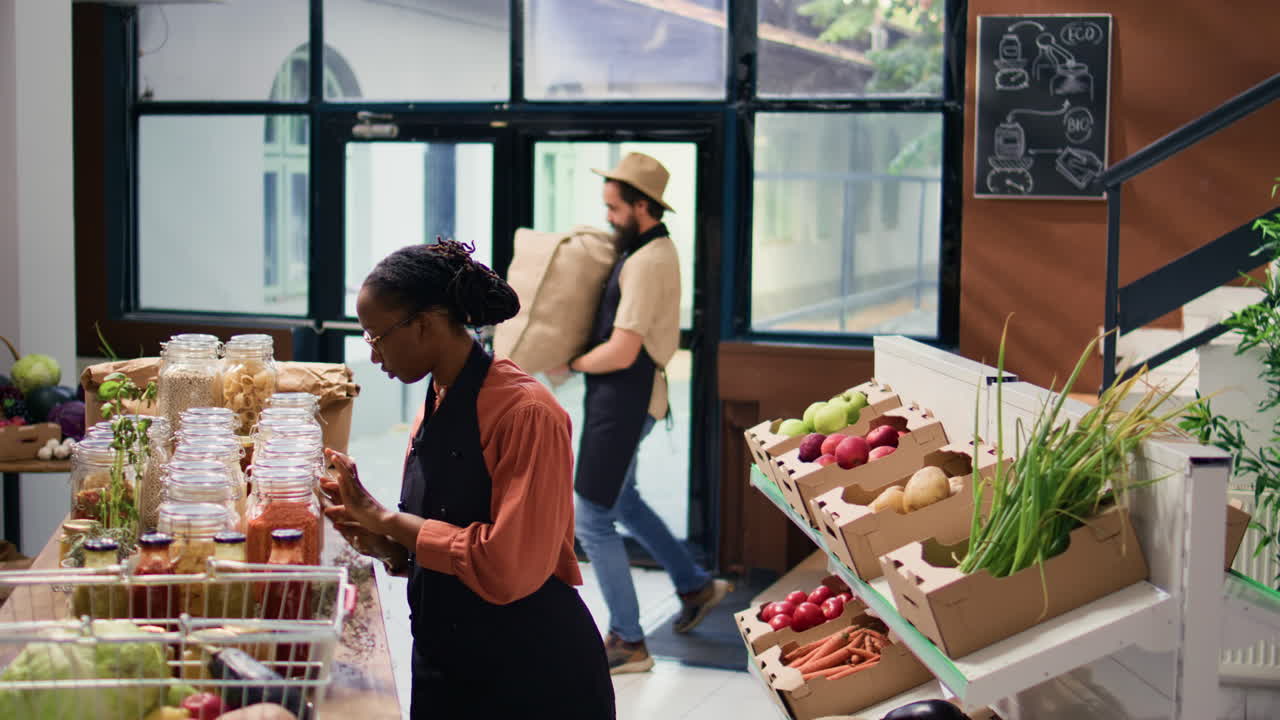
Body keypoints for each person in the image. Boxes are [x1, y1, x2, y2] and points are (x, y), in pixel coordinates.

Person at [321, 240, 615, 719]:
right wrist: (382, 541)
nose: (372, 354)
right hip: (449, 664)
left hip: (532, 677)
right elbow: (445, 540)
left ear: (425, 324)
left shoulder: (527, 413)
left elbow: (506, 565)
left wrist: (387, 519)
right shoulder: (437, 398)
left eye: (376, 336)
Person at [559, 152, 731, 675]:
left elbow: (622, 351)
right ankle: (696, 585)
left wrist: (568, 360)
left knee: (590, 516)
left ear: (642, 206)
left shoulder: (647, 261)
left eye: (614, 208)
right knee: (623, 500)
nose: (608, 216)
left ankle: (629, 640)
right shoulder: (651, 250)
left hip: (624, 398)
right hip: (624, 398)